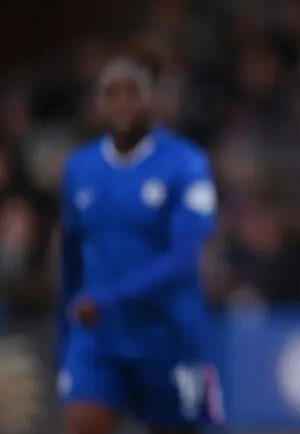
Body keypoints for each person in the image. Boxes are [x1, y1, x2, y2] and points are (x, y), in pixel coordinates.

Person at [57, 41, 224, 434]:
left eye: (132, 91)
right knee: (81, 421)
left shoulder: (185, 163)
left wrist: (108, 298)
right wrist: (63, 340)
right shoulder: (80, 167)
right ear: (98, 102)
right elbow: (71, 255)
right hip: (99, 339)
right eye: (111, 93)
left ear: (152, 99)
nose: (122, 103)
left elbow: (183, 260)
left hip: (166, 334)